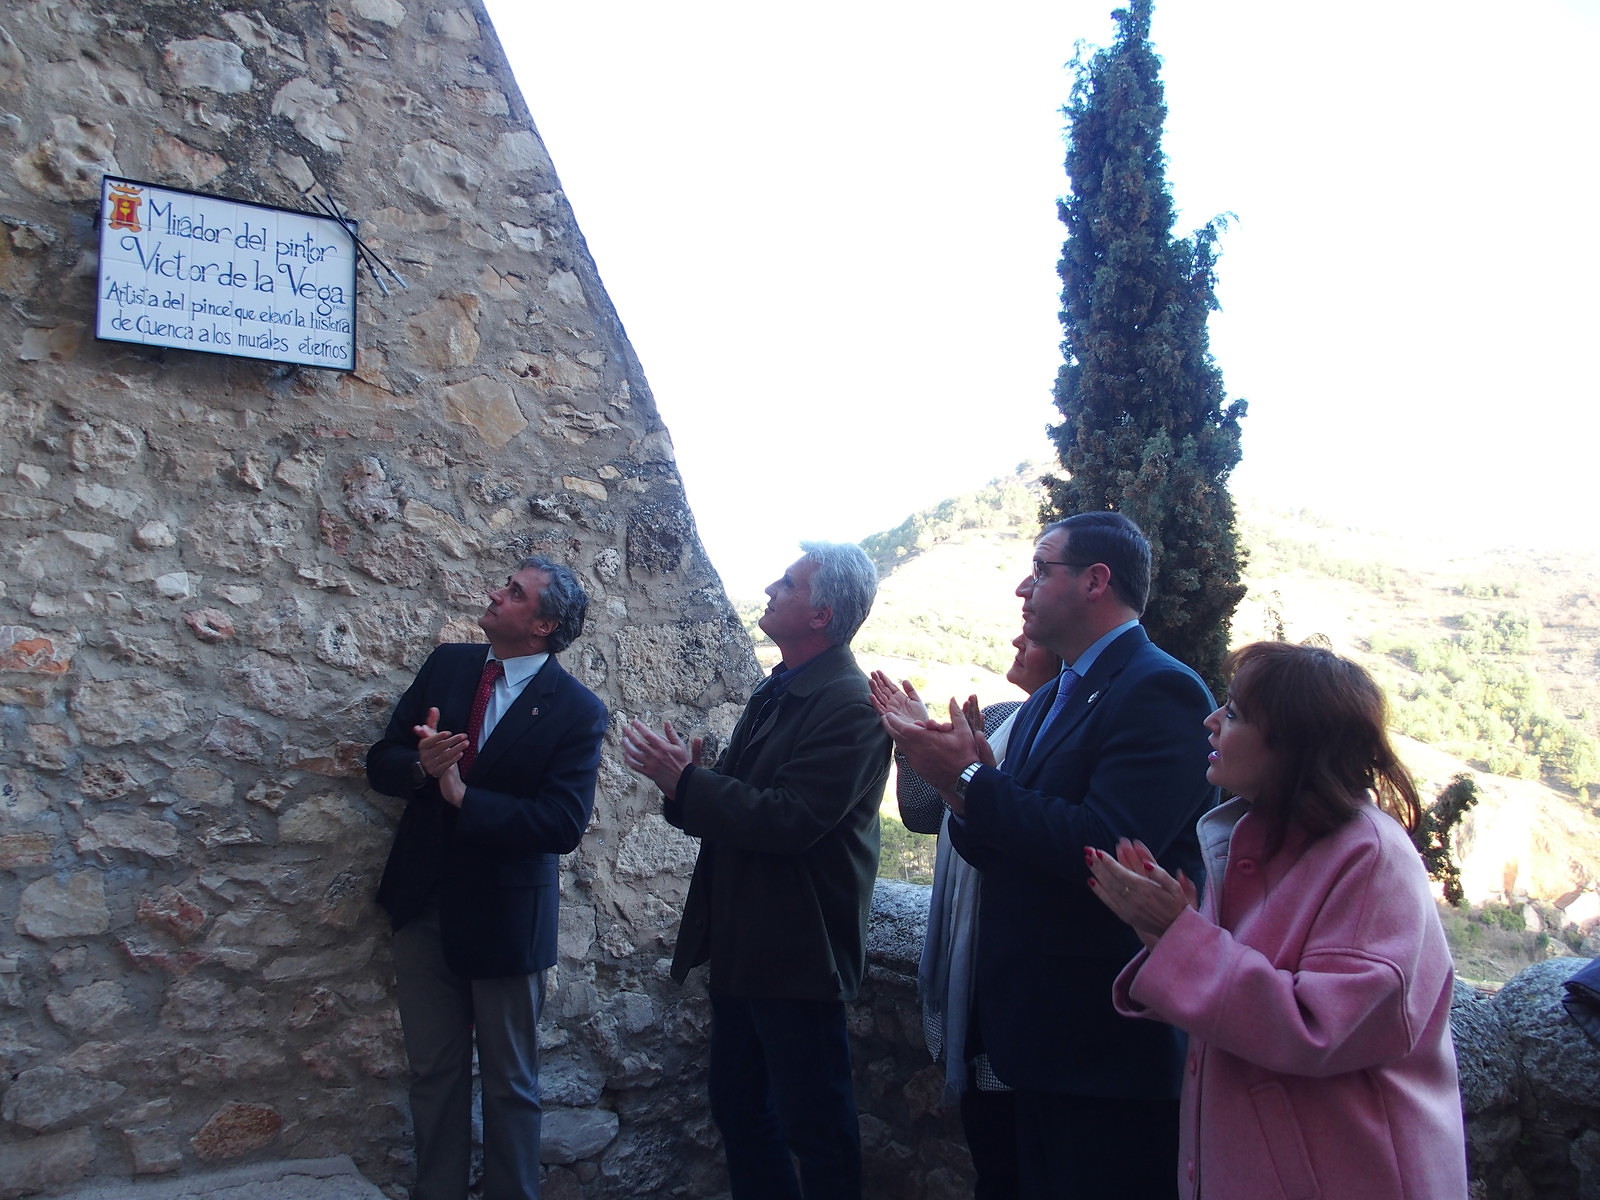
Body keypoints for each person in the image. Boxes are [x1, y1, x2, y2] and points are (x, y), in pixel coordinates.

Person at [881, 512, 1216, 1199]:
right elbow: (991, 843)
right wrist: (957, 785)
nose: (1022, 588)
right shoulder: (1047, 702)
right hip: (1029, 1042)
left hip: (1103, 1053)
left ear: (1097, 581)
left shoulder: (1159, 689)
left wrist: (968, 780)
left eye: (1041, 569)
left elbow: (1108, 847)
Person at [1088, 640, 1469, 1199]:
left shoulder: (1370, 858)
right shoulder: (1258, 836)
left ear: (1294, 745)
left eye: (1236, 713)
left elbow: (1320, 1028)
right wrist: (1162, 933)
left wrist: (1180, 938)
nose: (1212, 722)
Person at [621, 542, 891, 1200]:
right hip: (747, 944)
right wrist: (685, 787)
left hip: (800, 953)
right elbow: (743, 807)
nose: (771, 587)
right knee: (740, 1110)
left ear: (822, 613)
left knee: (817, 1132)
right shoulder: (781, 690)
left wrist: (689, 784)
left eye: (789, 583)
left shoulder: (850, 705)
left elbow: (791, 820)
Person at [368, 556, 607, 1200]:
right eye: (505, 585)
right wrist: (420, 767)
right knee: (433, 1072)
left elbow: (561, 824)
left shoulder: (577, 711)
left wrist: (462, 796)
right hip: (424, 904)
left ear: (544, 626)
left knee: (510, 1083)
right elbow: (380, 760)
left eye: (514, 593)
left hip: (505, 921)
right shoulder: (449, 664)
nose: (496, 595)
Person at [868, 631, 1061, 1200]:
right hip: (977, 963)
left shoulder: (1072, 732)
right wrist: (914, 740)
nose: (1020, 638)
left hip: (1020, 969)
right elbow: (925, 814)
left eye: (1036, 636)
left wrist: (970, 776)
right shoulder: (1003, 714)